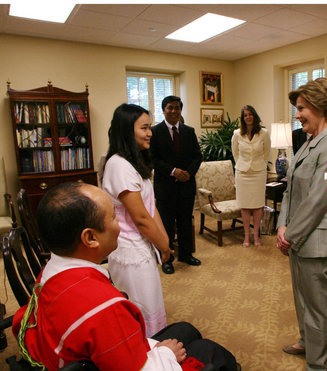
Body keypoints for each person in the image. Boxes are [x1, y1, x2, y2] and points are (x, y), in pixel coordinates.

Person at [12, 182, 239, 371]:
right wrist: (166, 354)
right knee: (211, 351)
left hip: (80, 357)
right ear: (90, 238)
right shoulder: (103, 308)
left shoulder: (50, 270)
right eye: (113, 217)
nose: (119, 225)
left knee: (187, 329)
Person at [276, 78, 327, 371]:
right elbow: (290, 190)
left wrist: (290, 235)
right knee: (302, 299)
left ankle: (319, 364)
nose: (297, 114)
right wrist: (281, 226)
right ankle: (307, 342)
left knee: (317, 306)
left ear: (319, 106)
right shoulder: (308, 143)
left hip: (313, 241)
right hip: (296, 236)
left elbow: (318, 199)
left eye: (301, 108)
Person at [102, 103, 170, 336]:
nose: (150, 133)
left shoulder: (134, 162)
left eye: (150, 127)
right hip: (130, 251)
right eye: (144, 128)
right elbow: (141, 218)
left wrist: (165, 241)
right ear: (126, 131)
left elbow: (151, 207)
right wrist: (164, 246)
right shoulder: (119, 165)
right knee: (140, 308)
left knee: (151, 301)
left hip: (143, 246)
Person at [151, 96, 202, 274]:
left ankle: (186, 255)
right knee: (166, 225)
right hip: (165, 187)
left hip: (186, 186)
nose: (173, 111)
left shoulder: (189, 131)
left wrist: (188, 173)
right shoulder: (155, 132)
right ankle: (167, 259)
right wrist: (173, 171)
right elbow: (153, 159)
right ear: (163, 110)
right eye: (169, 108)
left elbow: (197, 155)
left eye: (177, 108)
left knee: (185, 222)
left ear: (181, 110)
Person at [231, 105, 271, 247]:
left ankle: (256, 236)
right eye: (245, 115)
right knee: (245, 205)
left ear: (254, 116)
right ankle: (247, 236)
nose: (248, 117)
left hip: (258, 173)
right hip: (242, 173)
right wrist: (243, 165)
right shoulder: (237, 134)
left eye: (250, 114)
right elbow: (235, 153)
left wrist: (259, 164)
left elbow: (267, 152)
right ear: (242, 118)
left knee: (258, 205)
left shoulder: (264, 133)